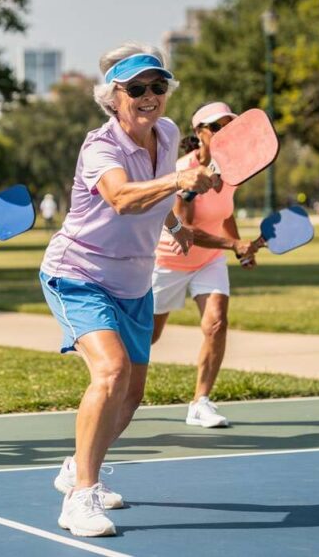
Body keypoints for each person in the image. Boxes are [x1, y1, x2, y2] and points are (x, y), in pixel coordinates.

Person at [39, 43, 215, 537]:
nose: (149, 95)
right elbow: (120, 197)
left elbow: (155, 197)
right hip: (80, 273)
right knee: (111, 372)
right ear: (113, 98)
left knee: (132, 394)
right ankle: (79, 499)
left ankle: (78, 466)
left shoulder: (170, 132)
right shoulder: (101, 147)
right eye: (135, 89)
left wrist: (175, 226)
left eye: (158, 86)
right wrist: (179, 179)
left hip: (135, 282)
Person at [150, 102, 258, 429]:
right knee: (148, 337)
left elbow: (225, 214)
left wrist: (241, 250)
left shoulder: (233, 171)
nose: (226, 133)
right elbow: (185, 230)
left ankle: (201, 402)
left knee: (216, 324)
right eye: (217, 127)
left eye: (230, 126)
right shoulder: (181, 170)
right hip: (167, 259)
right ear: (200, 133)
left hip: (209, 260)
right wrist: (233, 245)